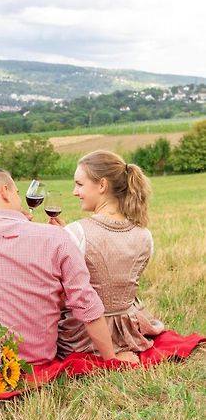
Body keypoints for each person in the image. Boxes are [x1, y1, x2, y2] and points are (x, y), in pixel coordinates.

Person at [0, 166, 117, 365]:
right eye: (17, 192)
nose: (19, 198)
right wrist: (111, 359)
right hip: (36, 358)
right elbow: (86, 304)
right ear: (4, 191)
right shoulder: (58, 237)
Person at [53, 150, 164, 362]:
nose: (74, 192)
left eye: (79, 184)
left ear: (102, 185)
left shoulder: (77, 233)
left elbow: (61, 294)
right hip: (128, 332)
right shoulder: (144, 235)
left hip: (81, 337)